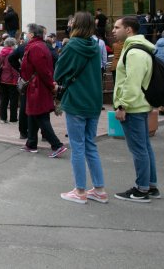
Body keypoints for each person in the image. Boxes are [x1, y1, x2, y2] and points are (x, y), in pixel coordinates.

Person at [54, 12, 107, 204]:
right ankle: (99, 189)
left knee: (77, 146)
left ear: (75, 25)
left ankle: (80, 190)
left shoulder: (72, 45)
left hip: (76, 100)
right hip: (93, 100)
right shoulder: (96, 44)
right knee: (90, 144)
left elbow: (58, 72)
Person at [111, 16, 160, 202]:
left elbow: (132, 82)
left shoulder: (134, 52)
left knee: (139, 149)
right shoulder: (138, 48)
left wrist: (122, 105)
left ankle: (141, 189)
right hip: (139, 105)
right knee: (145, 147)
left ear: (129, 29)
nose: (113, 30)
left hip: (133, 107)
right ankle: (151, 186)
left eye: (117, 27)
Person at [19, 24, 68, 158]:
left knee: (39, 116)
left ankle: (57, 145)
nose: (25, 35)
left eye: (27, 33)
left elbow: (42, 70)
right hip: (38, 86)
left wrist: (51, 84)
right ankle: (31, 143)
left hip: (37, 86)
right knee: (34, 114)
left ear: (32, 34)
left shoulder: (35, 47)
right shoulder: (40, 46)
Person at [0, 37, 19, 124]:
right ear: (12, 45)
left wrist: (2, 69)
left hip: (2, 80)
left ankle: (3, 118)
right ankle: (13, 118)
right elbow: (14, 69)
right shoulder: (14, 54)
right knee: (13, 100)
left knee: (3, 100)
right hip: (12, 80)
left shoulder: (1, 54)